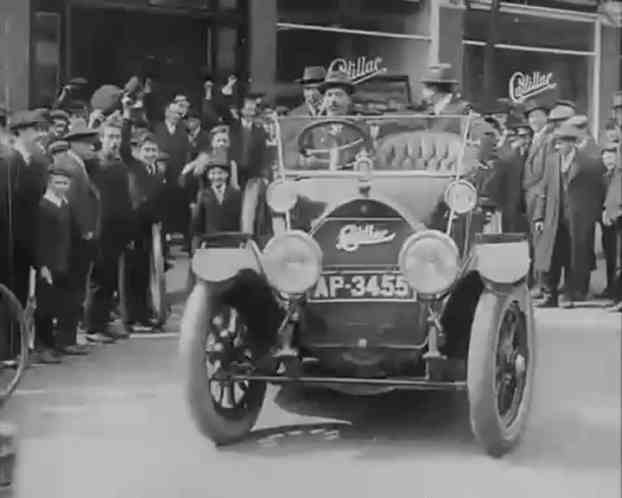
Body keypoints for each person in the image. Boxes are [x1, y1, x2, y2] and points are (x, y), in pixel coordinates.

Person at [532, 123, 605, 308]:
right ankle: (551, 295)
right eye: (556, 143)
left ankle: (572, 294)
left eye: (561, 143)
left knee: (575, 255)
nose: (558, 147)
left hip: (579, 218)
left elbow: (597, 191)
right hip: (554, 217)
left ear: (571, 144)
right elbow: (543, 189)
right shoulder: (551, 161)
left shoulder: (589, 163)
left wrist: (593, 216)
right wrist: (539, 216)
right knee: (552, 256)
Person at [34, 160, 89, 363]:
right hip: (50, 264)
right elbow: (40, 240)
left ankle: (63, 341)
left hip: (66, 262)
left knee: (66, 303)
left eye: (66, 183)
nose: (63, 187)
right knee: (45, 308)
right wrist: (43, 266)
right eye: (58, 183)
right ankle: (43, 346)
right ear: (50, 183)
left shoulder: (65, 204)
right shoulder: (43, 206)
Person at [84, 115, 133, 342]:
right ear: (101, 139)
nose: (114, 141)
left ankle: (103, 322)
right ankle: (93, 327)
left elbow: (124, 199)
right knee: (99, 279)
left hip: (117, 230)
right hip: (101, 229)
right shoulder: (94, 163)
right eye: (110, 137)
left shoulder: (119, 163)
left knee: (110, 279)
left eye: (117, 137)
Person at [119, 98, 166, 331]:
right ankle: (129, 318)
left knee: (145, 274)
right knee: (130, 274)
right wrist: (127, 116)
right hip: (132, 227)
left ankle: (143, 314)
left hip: (150, 229)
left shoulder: (158, 173)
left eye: (153, 150)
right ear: (139, 151)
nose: (149, 153)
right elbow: (123, 148)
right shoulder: (133, 165)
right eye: (146, 150)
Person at [153, 101, 191, 243]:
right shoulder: (157, 129)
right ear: (166, 113)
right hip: (161, 175)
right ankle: (164, 238)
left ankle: (179, 235)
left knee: (178, 204)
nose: (177, 116)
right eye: (174, 112)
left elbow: (187, 153)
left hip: (178, 174)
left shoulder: (182, 131)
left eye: (179, 113)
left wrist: (184, 172)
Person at [192, 149, 242, 238]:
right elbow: (197, 221)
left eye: (220, 173)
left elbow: (240, 218)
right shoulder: (203, 194)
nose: (216, 177)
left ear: (226, 175)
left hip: (231, 240)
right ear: (208, 176)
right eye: (213, 173)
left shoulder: (236, 194)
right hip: (210, 240)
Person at [600, 142, 621, 302]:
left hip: (618, 220)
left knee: (618, 258)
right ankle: (610, 288)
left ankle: (616, 294)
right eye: (605, 157)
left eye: (611, 157)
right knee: (610, 257)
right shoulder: (604, 177)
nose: (608, 160)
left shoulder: (618, 177)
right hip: (607, 224)